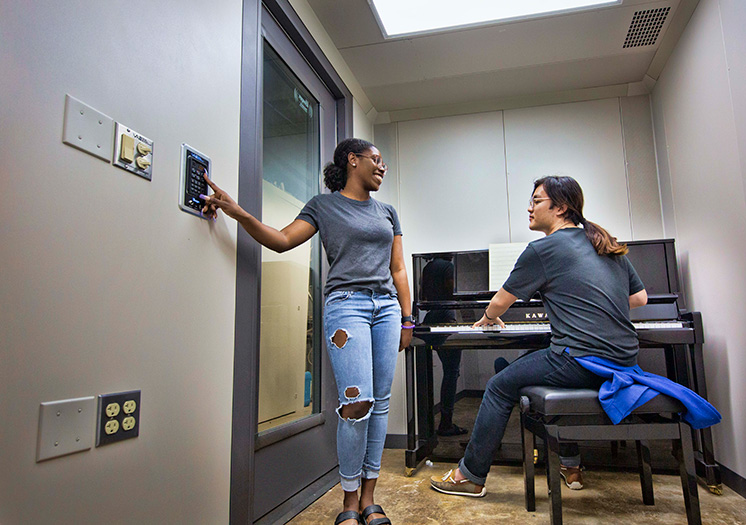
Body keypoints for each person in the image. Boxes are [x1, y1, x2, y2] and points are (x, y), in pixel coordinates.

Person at [201, 138, 412, 525]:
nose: (382, 167)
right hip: (346, 304)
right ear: (353, 160)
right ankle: (349, 503)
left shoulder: (388, 212)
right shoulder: (323, 205)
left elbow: (398, 268)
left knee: (380, 403)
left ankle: (369, 498)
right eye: (376, 160)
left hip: (386, 309)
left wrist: (407, 317)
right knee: (357, 402)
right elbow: (282, 241)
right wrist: (237, 213)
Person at [430, 175, 647, 497]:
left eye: (536, 201)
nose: (529, 208)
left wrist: (489, 318)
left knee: (500, 385)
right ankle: (570, 462)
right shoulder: (605, 242)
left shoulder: (544, 249)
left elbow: (501, 301)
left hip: (581, 361)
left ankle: (470, 476)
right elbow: (639, 299)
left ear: (560, 207)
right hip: (624, 361)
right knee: (538, 372)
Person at [420, 256, 468, 436]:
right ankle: (446, 424)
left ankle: (426, 428)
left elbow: (423, 295)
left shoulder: (427, 267)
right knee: (451, 372)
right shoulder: (447, 265)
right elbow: (450, 293)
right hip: (446, 317)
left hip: (431, 317)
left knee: (432, 372)